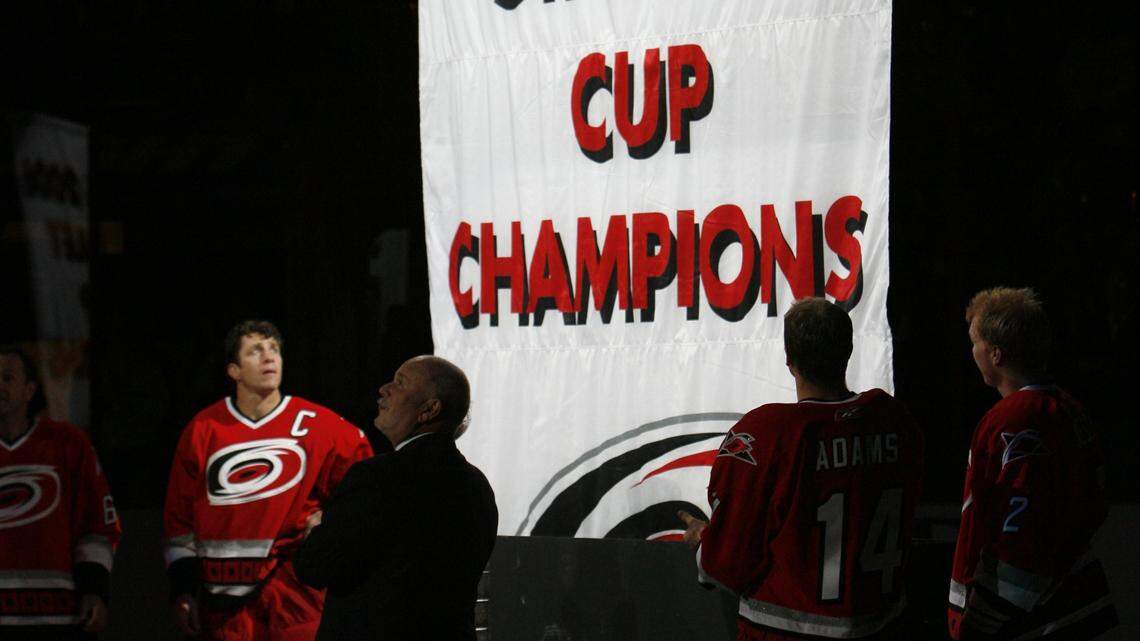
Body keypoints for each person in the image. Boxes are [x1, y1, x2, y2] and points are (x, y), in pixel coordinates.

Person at [678, 298, 924, 640]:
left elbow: (726, 564)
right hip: (882, 626)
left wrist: (704, 540)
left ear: (789, 360)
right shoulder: (894, 420)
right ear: (849, 350)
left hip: (785, 630)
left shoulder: (766, 433)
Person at [163, 320, 372, 641]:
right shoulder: (203, 430)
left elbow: (367, 494)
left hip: (295, 598)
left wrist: (331, 522)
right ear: (234, 370)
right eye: (255, 350)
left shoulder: (324, 428)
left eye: (274, 349)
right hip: (222, 606)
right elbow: (180, 522)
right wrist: (183, 591)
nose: (268, 356)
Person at [949, 287, 1117, 640]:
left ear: (996, 354)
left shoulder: (1013, 419)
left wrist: (978, 622)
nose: (972, 352)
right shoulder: (1069, 407)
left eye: (974, 343)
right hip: (1078, 603)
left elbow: (1019, 534)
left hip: (1038, 620)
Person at [294, 355, 498, 641]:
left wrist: (316, 531)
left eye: (400, 383)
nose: (384, 389)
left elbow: (314, 567)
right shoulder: (478, 486)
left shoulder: (377, 478)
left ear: (429, 409)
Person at [0, 345, 121, 640]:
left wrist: (94, 589)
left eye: (7, 378)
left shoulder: (67, 443)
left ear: (29, 390)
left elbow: (96, 523)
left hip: (58, 613)